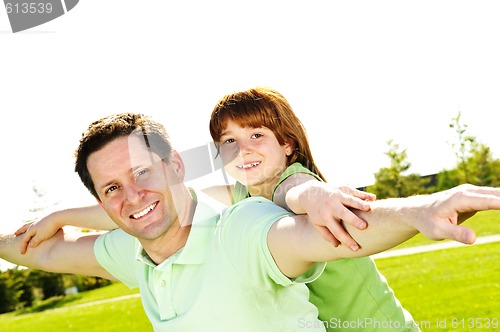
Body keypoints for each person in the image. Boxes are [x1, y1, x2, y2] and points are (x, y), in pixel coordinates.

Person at [10, 88, 497, 331]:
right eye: (228, 141)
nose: (241, 150)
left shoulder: (288, 186)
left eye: (256, 136)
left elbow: (303, 201)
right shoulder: (236, 197)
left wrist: (418, 209)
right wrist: (63, 215)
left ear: (287, 145)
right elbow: (149, 206)